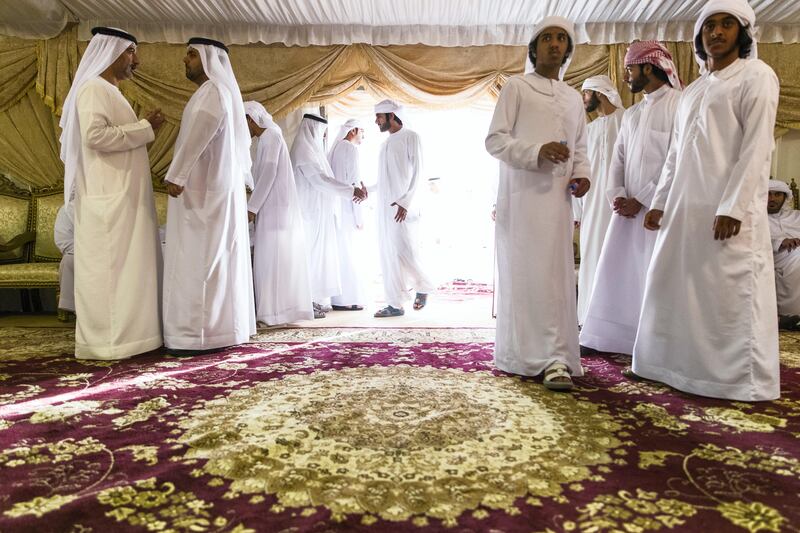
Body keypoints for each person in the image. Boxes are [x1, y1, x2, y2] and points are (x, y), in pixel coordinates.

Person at [633, 0, 780, 401]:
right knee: (673, 284)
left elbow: (756, 148)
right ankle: (668, 366)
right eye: (709, 25)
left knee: (727, 294)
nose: (716, 32)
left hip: (729, 210)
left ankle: (735, 380)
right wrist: (660, 202)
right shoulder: (694, 90)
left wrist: (732, 206)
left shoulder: (757, 77)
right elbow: (676, 154)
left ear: (742, 33)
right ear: (700, 37)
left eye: (726, 25)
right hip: (684, 207)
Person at [485, 17, 591, 391]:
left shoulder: (574, 97)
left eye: (562, 39)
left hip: (558, 204)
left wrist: (582, 175)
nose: (555, 45)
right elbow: (495, 141)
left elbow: (580, 148)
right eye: (547, 38)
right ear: (534, 47)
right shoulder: (517, 87)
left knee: (556, 278)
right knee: (526, 275)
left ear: (568, 49)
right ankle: (522, 355)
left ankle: (556, 357)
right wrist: (536, 151)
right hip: (522, 201)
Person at [59, 26, 164, 360]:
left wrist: (144, 129)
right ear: (111, 52)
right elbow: (94, 136)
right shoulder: (92, 88)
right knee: (110, 273)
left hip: (122, 200)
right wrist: (146, 128)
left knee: (129, 272)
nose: (137, 60)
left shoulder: (111, 90)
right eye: (131, 52)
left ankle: (135, 337)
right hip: (108, 203)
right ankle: (108, 343)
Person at [579, 41, 682, 355]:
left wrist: (645, 197)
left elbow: (677, 159)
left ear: (648, 68)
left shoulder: (680, 104)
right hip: (626, 211)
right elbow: (618, 160)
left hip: (660, 210)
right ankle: (607, 339)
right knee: (619, 273)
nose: (627, 76)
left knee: (654, 275)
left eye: (630, 69)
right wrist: (618, 194)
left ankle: (652, 345)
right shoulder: (634, 113)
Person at [163, 37, 255, 354]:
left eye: (191, 55)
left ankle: (196, 334)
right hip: (208, 191)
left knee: (199, 259)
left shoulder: (213, 92)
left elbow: (201, 131)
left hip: (204, 195)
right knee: (209, 260)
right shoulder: (212, 92)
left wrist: (177, 174)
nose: (184, 60)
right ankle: (214, 330)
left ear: (208, 59)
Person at [245, 100, 315, 326]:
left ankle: (275, 312)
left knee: (273, 258)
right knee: (270, 259)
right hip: (271, 206)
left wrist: (252, 207)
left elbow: (268, 172)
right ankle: (273, 311)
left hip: (274, 208)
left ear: (251, 119)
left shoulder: (272, 136)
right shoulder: (267, 137)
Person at [290, 113, 367, 318]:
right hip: (308, 214)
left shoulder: (314, 152)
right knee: (308, 258)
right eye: (321, 132)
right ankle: (305, 302)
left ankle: (312, 299)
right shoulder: (304, 151)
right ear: (312, 129)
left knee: (317, 258)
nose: (323, 137)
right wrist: (351, 191)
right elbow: (320, 181)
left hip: (317, 214)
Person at [373, 100, 435, 317]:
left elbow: (419, 173)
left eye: (379, 117)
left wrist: (406, 202)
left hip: (404, 208)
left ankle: (424, 285)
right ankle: (395, 304)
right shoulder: (385, 144)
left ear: (391, 115)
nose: (376, 121)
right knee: (389, 256)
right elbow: (383, 179)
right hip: (385, 208)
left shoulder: (411, 137)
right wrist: (366, 191)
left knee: (404, 251)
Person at [574, 75, 625, 326]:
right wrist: (577, 211)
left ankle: (618, 325)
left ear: (599, 93)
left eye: (586, 94)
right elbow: (580, 171)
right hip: (593, 209)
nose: (584, 99)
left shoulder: (628, 121)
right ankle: (589, 323)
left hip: (623, 207)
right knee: (592, 260)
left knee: (620, 264)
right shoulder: (590, 130)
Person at [328, 119, 368, 311]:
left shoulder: (336, 149)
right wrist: (359, 217)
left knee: (342, 253)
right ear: (353, 130)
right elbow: (354, 185)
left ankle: (339, 299)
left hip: (337, 209)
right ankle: (350, 299)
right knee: (351, 254)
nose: (363, 136)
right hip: (348, 210)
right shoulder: (350, 149)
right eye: (362, 132)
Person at [767, 179, 800, 328]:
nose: (772, 199)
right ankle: (792, 316)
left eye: (777, 194)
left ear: (785, 197)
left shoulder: (796, 216)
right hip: (772, 256)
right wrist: (779, 242)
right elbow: (749, 240)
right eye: (768, 194)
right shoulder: (755, 217)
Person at [53, 201, 75, 313]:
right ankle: (79, 313)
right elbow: (63, 241)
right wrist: (89, 252)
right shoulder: (67, 209)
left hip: (114, 251)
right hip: (81, 253)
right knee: (68, 261)